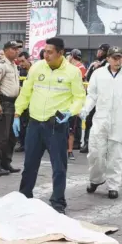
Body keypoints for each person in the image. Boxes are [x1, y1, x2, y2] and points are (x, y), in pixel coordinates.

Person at [13, 37, 85, 214]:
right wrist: (17, 112)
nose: (46, 55)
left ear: (61, 53)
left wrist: (71, 111)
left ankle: (58, 202)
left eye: (50, 52)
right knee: (30, 164)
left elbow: (79, 97)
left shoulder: (72, 72)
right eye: (45, 51)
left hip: (56, 125)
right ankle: (25, 196)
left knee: (59, 166)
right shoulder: (37, 67)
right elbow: (26, 91)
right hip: (35, 123)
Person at [79, 47, 122, 199]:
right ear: (108, 58)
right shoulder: (98, 74)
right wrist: (85, 109)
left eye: (120, 57)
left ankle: (113, 185)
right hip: (101, 119)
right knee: (96, 152)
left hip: (120, 121)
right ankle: (96, 179)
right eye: (114, 58)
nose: (118, 61)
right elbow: (92, 95)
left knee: (116, 155)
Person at [0, 41, 22, 176]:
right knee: (2, 137)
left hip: (14, 103)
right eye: (14, 49)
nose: (17, 51)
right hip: (4, 103)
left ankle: (5, 163)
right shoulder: (1, 65)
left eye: (18, 49)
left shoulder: (13, 65)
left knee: (12, 137)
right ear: (6, 50)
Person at [80, 44, 110, 154]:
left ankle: (101, 145)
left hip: (103, 97)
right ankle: (87, 142)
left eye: (101, 50)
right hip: (92, 95)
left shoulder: (108, 65)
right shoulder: (94, 64)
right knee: (89, 120)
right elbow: (87, 77)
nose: (99, 52)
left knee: (102, 121)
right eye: (99, 50)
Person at [14, 51, 31, 153]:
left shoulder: (36, 70)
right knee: (22, 123)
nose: (21, 64)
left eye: (23, 61)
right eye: (19, 62)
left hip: (33, 101)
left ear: (28, 59)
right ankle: (22, 143)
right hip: (22, 100)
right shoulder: (20, 71)